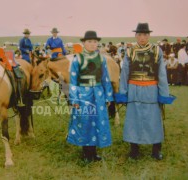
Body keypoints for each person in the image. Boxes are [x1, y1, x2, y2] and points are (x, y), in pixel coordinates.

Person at [116, 23, 174, 160]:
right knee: (133, 119)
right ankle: (134, 150)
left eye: (145, 35)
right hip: (134, 89)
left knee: (153, 119)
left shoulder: (156, 50)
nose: (142, 37)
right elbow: (124, 73)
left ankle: (156, 150)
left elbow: (161, 74)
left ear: (149, 36)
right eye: (139, 34)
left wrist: (164, 93)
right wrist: (123, 92)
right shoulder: (129, 51)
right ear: (135, 35)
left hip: (151, 89)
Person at [67, 31, 114, 162]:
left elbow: (105, 79)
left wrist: (108, 96)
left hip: (98, 94)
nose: (93, 44)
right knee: (85, 121)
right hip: (83, 94)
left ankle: (93, 152)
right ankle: (86, 153)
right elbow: (73, 81)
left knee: (97, 121)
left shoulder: (101, 58)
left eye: (95, 41)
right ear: (83, 43)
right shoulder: (78, 59)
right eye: (89, 41)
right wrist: (75, 99)